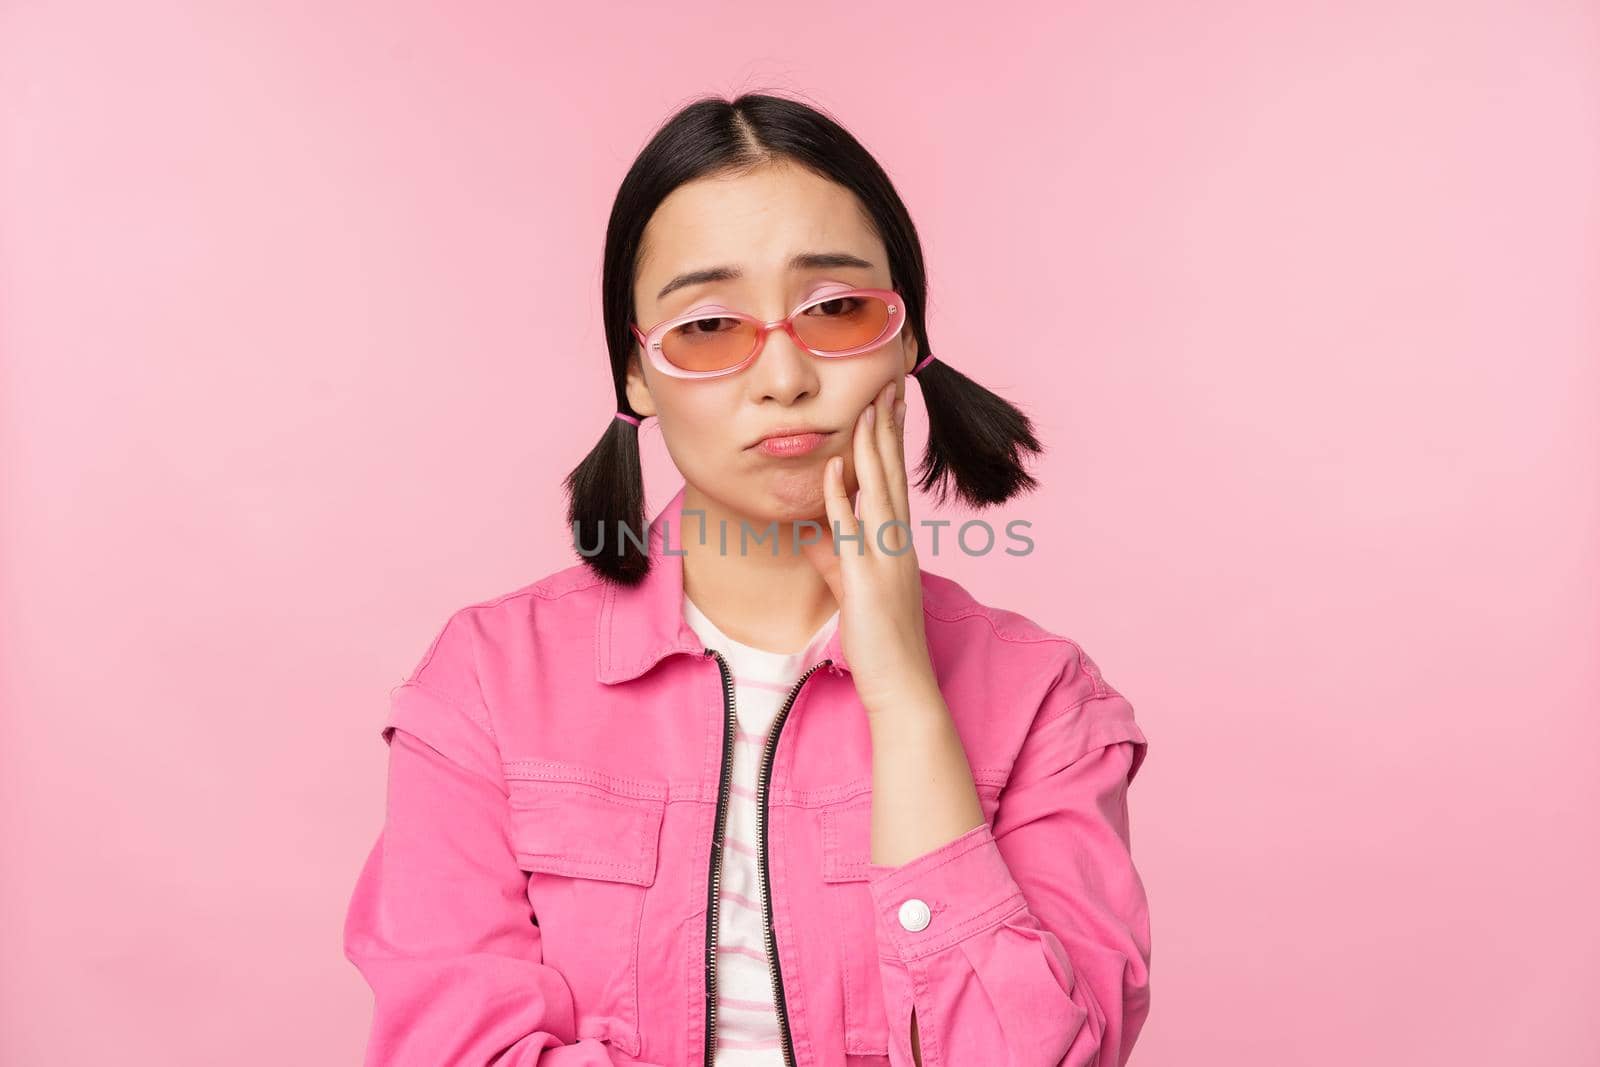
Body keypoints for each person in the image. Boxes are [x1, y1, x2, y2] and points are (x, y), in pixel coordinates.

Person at [343, 91, 1152, 1067]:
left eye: (837, 308)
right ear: (635, 374)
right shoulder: (485, 678)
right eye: (709, 325)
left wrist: (901, 689)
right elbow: (452, 1047)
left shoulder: (1044, 700)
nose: (782, 376)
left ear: (906, 342)